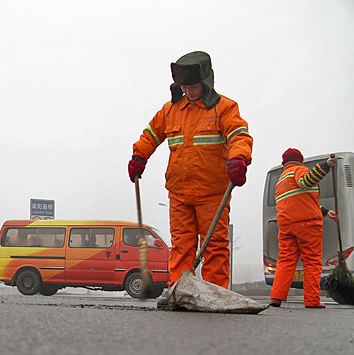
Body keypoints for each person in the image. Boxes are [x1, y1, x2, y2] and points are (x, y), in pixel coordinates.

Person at [128, 51, 253, 295]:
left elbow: (239, 135)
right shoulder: (170, 110)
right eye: (185, 87)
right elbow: (151, 134)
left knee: (215, 245)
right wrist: (139, 156)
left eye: (193, 86)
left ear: (205, 83)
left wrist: (239, 158)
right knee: (182, 245)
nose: (189, 92)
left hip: (213, 192)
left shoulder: (225, 108)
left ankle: (215, 294)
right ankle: (180, 291)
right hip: (179, 192)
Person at [270, 150, 339, 308]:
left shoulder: (281, 181)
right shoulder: (299, 170)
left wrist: (326, 211)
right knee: (312, 261)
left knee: (285, 261)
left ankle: (276, 297)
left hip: (286, 226)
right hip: (307, 224)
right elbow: (306, 181)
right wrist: (326, 166)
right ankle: (311, 300)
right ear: (300, 160)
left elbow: (300, 199)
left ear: (284, 163)